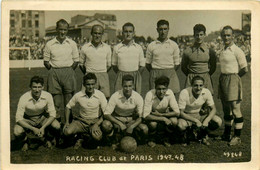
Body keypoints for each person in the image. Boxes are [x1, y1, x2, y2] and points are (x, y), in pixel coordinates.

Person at [43, 19, 79, 122]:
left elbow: (76, 61)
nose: (62, 32)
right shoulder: (50, 44)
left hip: (69, 72)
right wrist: (55, 70)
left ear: (67, 30)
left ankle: (69, 127)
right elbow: (46, 62)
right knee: (56, 104)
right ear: (56, 29)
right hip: (54, 73)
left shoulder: (72, 43)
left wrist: (69, 71)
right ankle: (57, 128)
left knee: (69, 103)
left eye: (65, 30)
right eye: (60, 29)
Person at [218, 26, 248, 146]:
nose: (226, 37)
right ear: (222, 36)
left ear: (233, 36)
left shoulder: (237, 50)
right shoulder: (222, 50)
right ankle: (226, 134)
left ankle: (237, 136)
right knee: (226, 109)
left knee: (235, 109)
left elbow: (245, 69)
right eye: (224, 35)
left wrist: (235, 78)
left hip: (233, 79)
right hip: (223, 79)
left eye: (228, 35)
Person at [13, 76, 60, 151]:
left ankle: (48, 138)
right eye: (34, 87)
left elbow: (53, 114)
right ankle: (25, 141)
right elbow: (18, 119)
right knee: (17, 131)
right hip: (27, 118)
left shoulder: (48, 95)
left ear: (43, 87)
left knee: (56, 125)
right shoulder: (24, 97)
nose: (37, 90)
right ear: (30, 87)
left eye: (39, 87)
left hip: (42, 117)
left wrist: (43, 127)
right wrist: (33, 128)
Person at [101, 74, 148, 147]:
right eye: (125, 86)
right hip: (117, 117)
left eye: (130, 86)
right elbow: (107, 114)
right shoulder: (115, 95)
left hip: (131, 119)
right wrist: (120, 123)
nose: (127, 89)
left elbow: (141, 116)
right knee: (106, 125)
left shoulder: (138, 97)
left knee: (144, 128)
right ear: (122, 86)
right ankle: (111, 140)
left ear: (133, 86)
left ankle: (137, 139)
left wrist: (132, 126)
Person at [63, 73, 107, 149]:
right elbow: (68, 107)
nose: (91, 87)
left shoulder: (100, 95)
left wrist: (97, 124)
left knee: (98, 138)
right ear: (84, 84)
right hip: (81, 121)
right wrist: (67, 122)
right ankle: (79, 136)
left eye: (92, 84)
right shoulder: (79, 95)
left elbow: (106, 113)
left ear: (95, 84)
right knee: (67, 132)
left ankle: (83, 137)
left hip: (94, 121)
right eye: (88, 84)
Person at [178, 76, 222, 145]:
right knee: (181, 125)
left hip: (199, 114)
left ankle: (203, 133)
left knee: (218, 121)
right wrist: (195, 121)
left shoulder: (206, 92)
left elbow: (213, 109)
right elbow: (181, 113)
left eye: (200, 85)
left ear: (203, 85)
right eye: (195, 85)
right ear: (191, 85)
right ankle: (186, 133)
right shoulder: (184, 92)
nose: (198, 88)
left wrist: (206, 120)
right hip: (187, 115)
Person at [143, 76, 180, 147]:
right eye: (159, 89)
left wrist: (162, 115)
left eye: (164, 89)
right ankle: (152, 138)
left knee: (174, 121)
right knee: (153, 124)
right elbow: (145, 115)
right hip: (153, 115)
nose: (161, 92)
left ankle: (166, 138)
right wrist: (163, 118)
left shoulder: (170, 93)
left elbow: (177, 112)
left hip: (163, 114)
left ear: (167, 88)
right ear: (155, 88)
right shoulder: (149, 94)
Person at [146, 19, 180, 94]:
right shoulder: (151, 45)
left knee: (171, 98)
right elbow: (147, 64)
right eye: (161, 29)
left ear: (168, 29)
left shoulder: (173, 45)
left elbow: (177, 64)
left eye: (165, 29)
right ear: (157, 30)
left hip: (170, 73)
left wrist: (169, 71)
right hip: (155, 73)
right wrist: (155, 71)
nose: (163, 31)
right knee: (155, 98)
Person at [181, 24, 217, 95]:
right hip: (191, 78)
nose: (199, 37)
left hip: (205, 78)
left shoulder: (210, 51)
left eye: (201, 34)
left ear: (204, 35)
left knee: (207, 102)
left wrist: (205, 74)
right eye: (197, 35)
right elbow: (183, 67)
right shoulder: (187, 51)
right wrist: (191, 74)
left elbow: (213, 67)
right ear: (194, 35)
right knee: (191, 101)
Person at [79, 25, 112, 99]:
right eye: (95, 33)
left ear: (102, 34)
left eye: (99, 33)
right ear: (91, 34)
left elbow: (109, 65)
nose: (97, 35)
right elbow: (81, 64)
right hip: (89, 74)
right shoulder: (85, 47)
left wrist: (102, 72)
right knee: (88, 98)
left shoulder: (107, 48)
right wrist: (88, 73)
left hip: (103, 75)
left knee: (105, 99)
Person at [112, 22, 145, 94]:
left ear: (133, 33)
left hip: (135, 76)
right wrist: (121, 73)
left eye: (130, 31)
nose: (128, 34)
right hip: (121, 76)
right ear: (122, 33)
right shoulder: (117, 47)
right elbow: (114, 65)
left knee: (135, 98)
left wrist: (136, 74)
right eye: (126, 31)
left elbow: (142, 65)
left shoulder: (138, 47)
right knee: (119, 97)